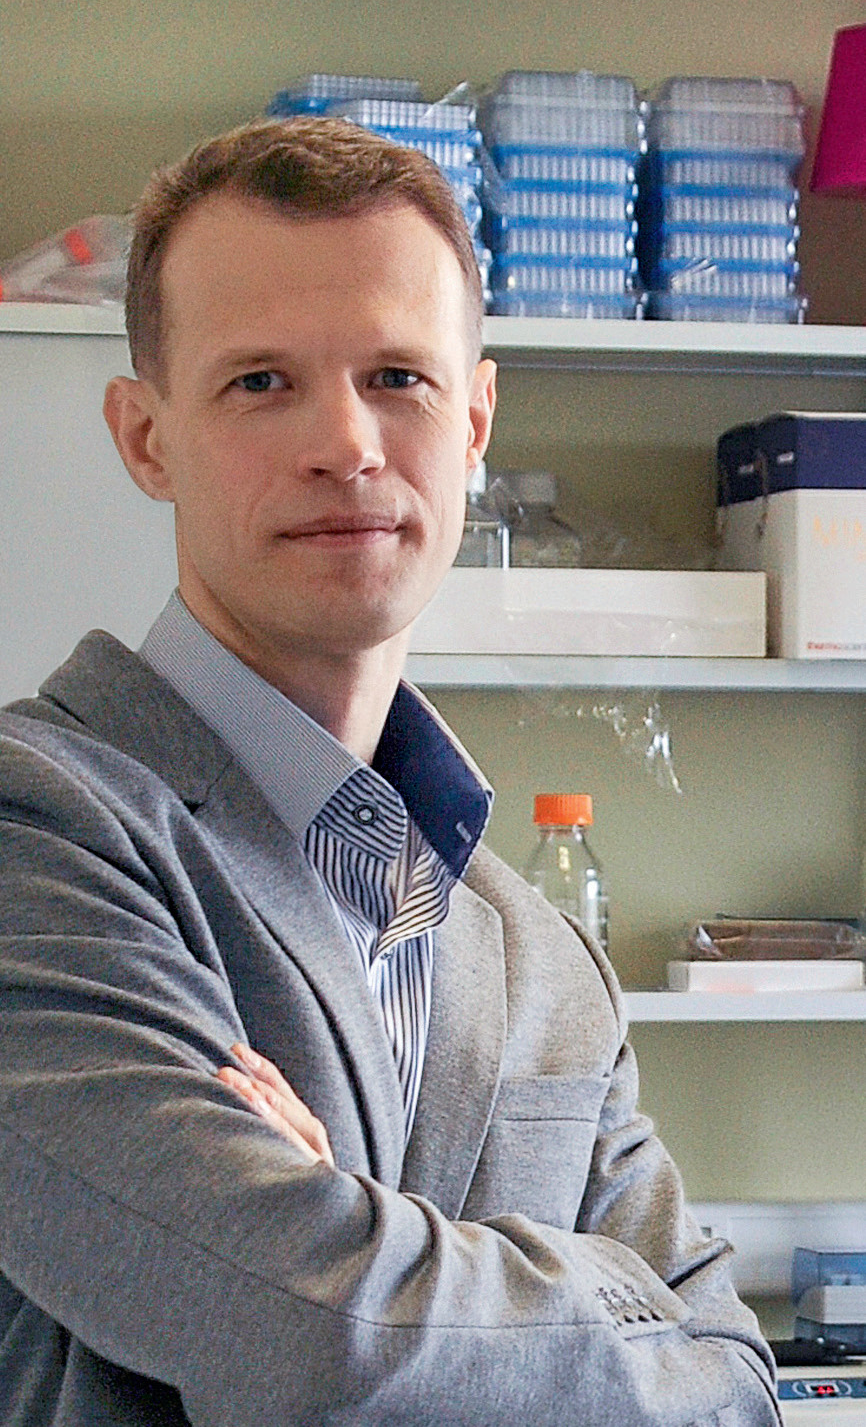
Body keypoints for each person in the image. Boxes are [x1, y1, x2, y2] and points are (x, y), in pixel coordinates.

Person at [0, 117, 780, 1427]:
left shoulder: (542, 958)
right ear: (144, 437)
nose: (346, 443)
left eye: (399, 377)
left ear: (473, 422)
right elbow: (317, 1339)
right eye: (260, 381)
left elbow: (740, 1382)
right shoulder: (41, 832)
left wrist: (354, 1239)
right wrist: (612, 1301)